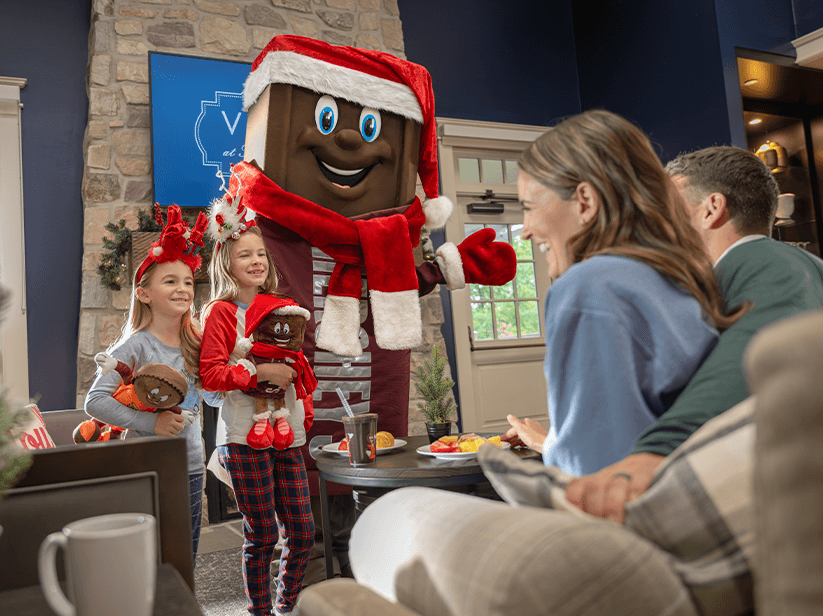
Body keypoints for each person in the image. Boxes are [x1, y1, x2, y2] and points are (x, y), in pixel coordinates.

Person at [565, 145, 823, 523]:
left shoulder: (767, 263)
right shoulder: (790, 264)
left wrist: (654, 452)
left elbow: (764, 349)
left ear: (711, 208)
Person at [502, 110, 747, 476]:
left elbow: (599, 474)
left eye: (528, 207)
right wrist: (553, 441)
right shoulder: (681, 277)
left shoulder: (591, 287)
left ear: (585, 201)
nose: (525, 230)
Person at [199, 193, 314, 616]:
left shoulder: (283, 307)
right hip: (243, 438)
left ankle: (287, 606)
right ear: (226, 263)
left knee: (302, 532)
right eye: (244, 254)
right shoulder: (221, 313)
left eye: (261, 253)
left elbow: (296, 362)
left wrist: (303, 399)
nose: (256, 260)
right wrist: (257, 374)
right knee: (262, 533)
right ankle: (259, 611)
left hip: (288, 432)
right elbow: (211, 376)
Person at [85, 204, 217, 564]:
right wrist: (152, 422)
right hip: (146, 465)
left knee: (183, 554)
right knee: (149, 556)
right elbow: (95, 401)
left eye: (188, 281)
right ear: (144, 293)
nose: (183, 289)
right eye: (171, 281)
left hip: (189, 465)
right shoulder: (134, 346)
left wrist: (233, 375)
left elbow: (213, 400)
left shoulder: (196, 343)